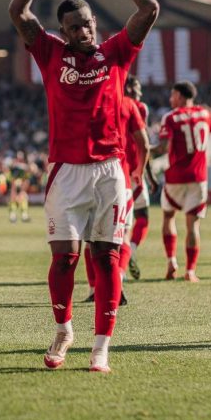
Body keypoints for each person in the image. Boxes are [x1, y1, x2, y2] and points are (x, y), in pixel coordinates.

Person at [8, 0, 158, 372]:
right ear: (63, 32)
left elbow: (149, 8)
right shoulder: (49, 53)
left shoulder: (116, 52)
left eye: (89, 24)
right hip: (65, 172)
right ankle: (63, 329)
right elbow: (17, 10)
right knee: (64, 259)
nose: (85, 32)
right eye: (75, 28)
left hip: (110, 171)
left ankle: (101, 347)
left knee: (106, 256)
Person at [83, 91, 150, 305]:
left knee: (90, 238)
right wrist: (141, 169)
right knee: (122, 236)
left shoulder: (89, 98)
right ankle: (118, 279)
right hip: (123, 179)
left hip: (90, 177)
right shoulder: (131, 106)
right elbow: (145, 144)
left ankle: (94, 288)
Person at [158, 81, 211, 282]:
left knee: (168, 216)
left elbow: (163, 146)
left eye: (173, 95)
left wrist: (145, 150)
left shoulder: (171, 117)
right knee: (193, 226)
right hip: (199, 178)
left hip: (175, 177)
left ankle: (171, 260)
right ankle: (190, 271)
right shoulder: (205, 114)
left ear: (180, 96)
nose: (171, 99)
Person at [124, 75, 158, 280]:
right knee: (141, 218)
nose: (140, 92)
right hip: (134, 172)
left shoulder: (110, 101)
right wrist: (150, 176)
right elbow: (142, 144)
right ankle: (130, 251)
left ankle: (122, 259)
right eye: (137, 87)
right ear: (128, 87)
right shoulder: (139, 107)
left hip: (114, 169)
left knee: (116, 222)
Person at [8, 152, 31, 223]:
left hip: (21, 183)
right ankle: (14, 215)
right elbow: (11, 178)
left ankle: (22, 215)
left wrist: (22, 190)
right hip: (15, 183)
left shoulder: (24, 167)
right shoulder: (13, 167)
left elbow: (27, 178)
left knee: (23, 197)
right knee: (14, 197)